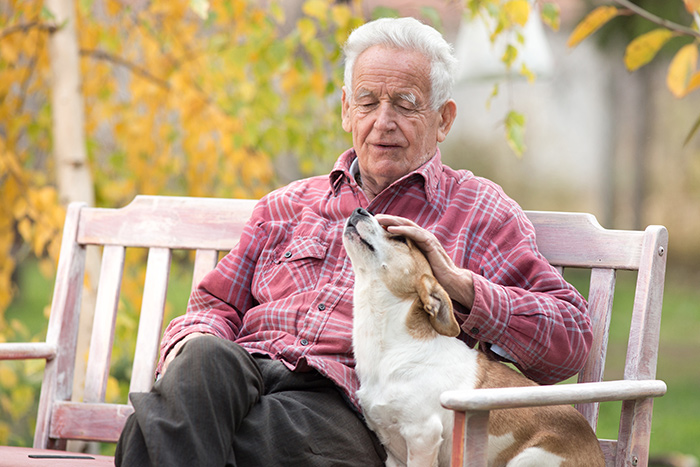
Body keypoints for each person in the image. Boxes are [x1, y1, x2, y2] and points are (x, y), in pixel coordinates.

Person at [115, 17, 592, 467]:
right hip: (243, 375)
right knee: (203, 357)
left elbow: (569, 339)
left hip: (341, 404)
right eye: (367, 101)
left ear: (443, 119)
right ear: (346, 109)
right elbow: (213, 305)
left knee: (150, 431)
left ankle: (172, 424)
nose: (383, 121)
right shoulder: (286, 204)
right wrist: (194, 349)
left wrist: (460, 285)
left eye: (405, 104)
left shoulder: (477, 211)